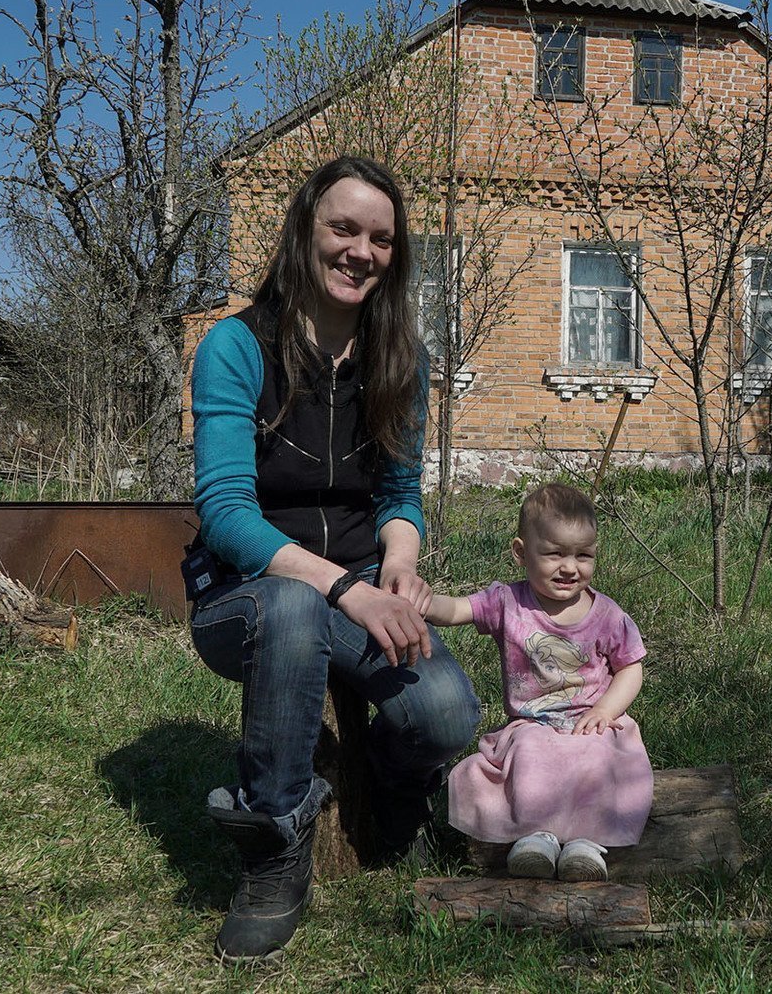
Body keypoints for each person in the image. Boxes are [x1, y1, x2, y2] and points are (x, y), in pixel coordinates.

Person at [186, 155, 481, 962]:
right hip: (246, 594)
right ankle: (275, 844)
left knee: (448, 715)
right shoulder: (237, 346)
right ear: (303, 233)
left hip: (358, 585)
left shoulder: (401, 357)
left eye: (381, 239)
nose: (362, 251)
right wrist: (346, 590)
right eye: (343, 229)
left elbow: (400, 489)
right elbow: (225, 515)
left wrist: (400, 558)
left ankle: (390, 790)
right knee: (289, 608)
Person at [424, 483, 653, 882]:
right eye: (554, 554)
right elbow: (457, 609)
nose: (570, 567)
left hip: (591, 722)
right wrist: (423, 602)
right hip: (533, 722)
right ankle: (535, 837)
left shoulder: (607, 616)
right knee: (528, 759)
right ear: (520, 552)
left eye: (583, 555)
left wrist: (606, 709)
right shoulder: (508, 603)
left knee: (598, 762)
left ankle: (586, 841)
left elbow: (631, 667)